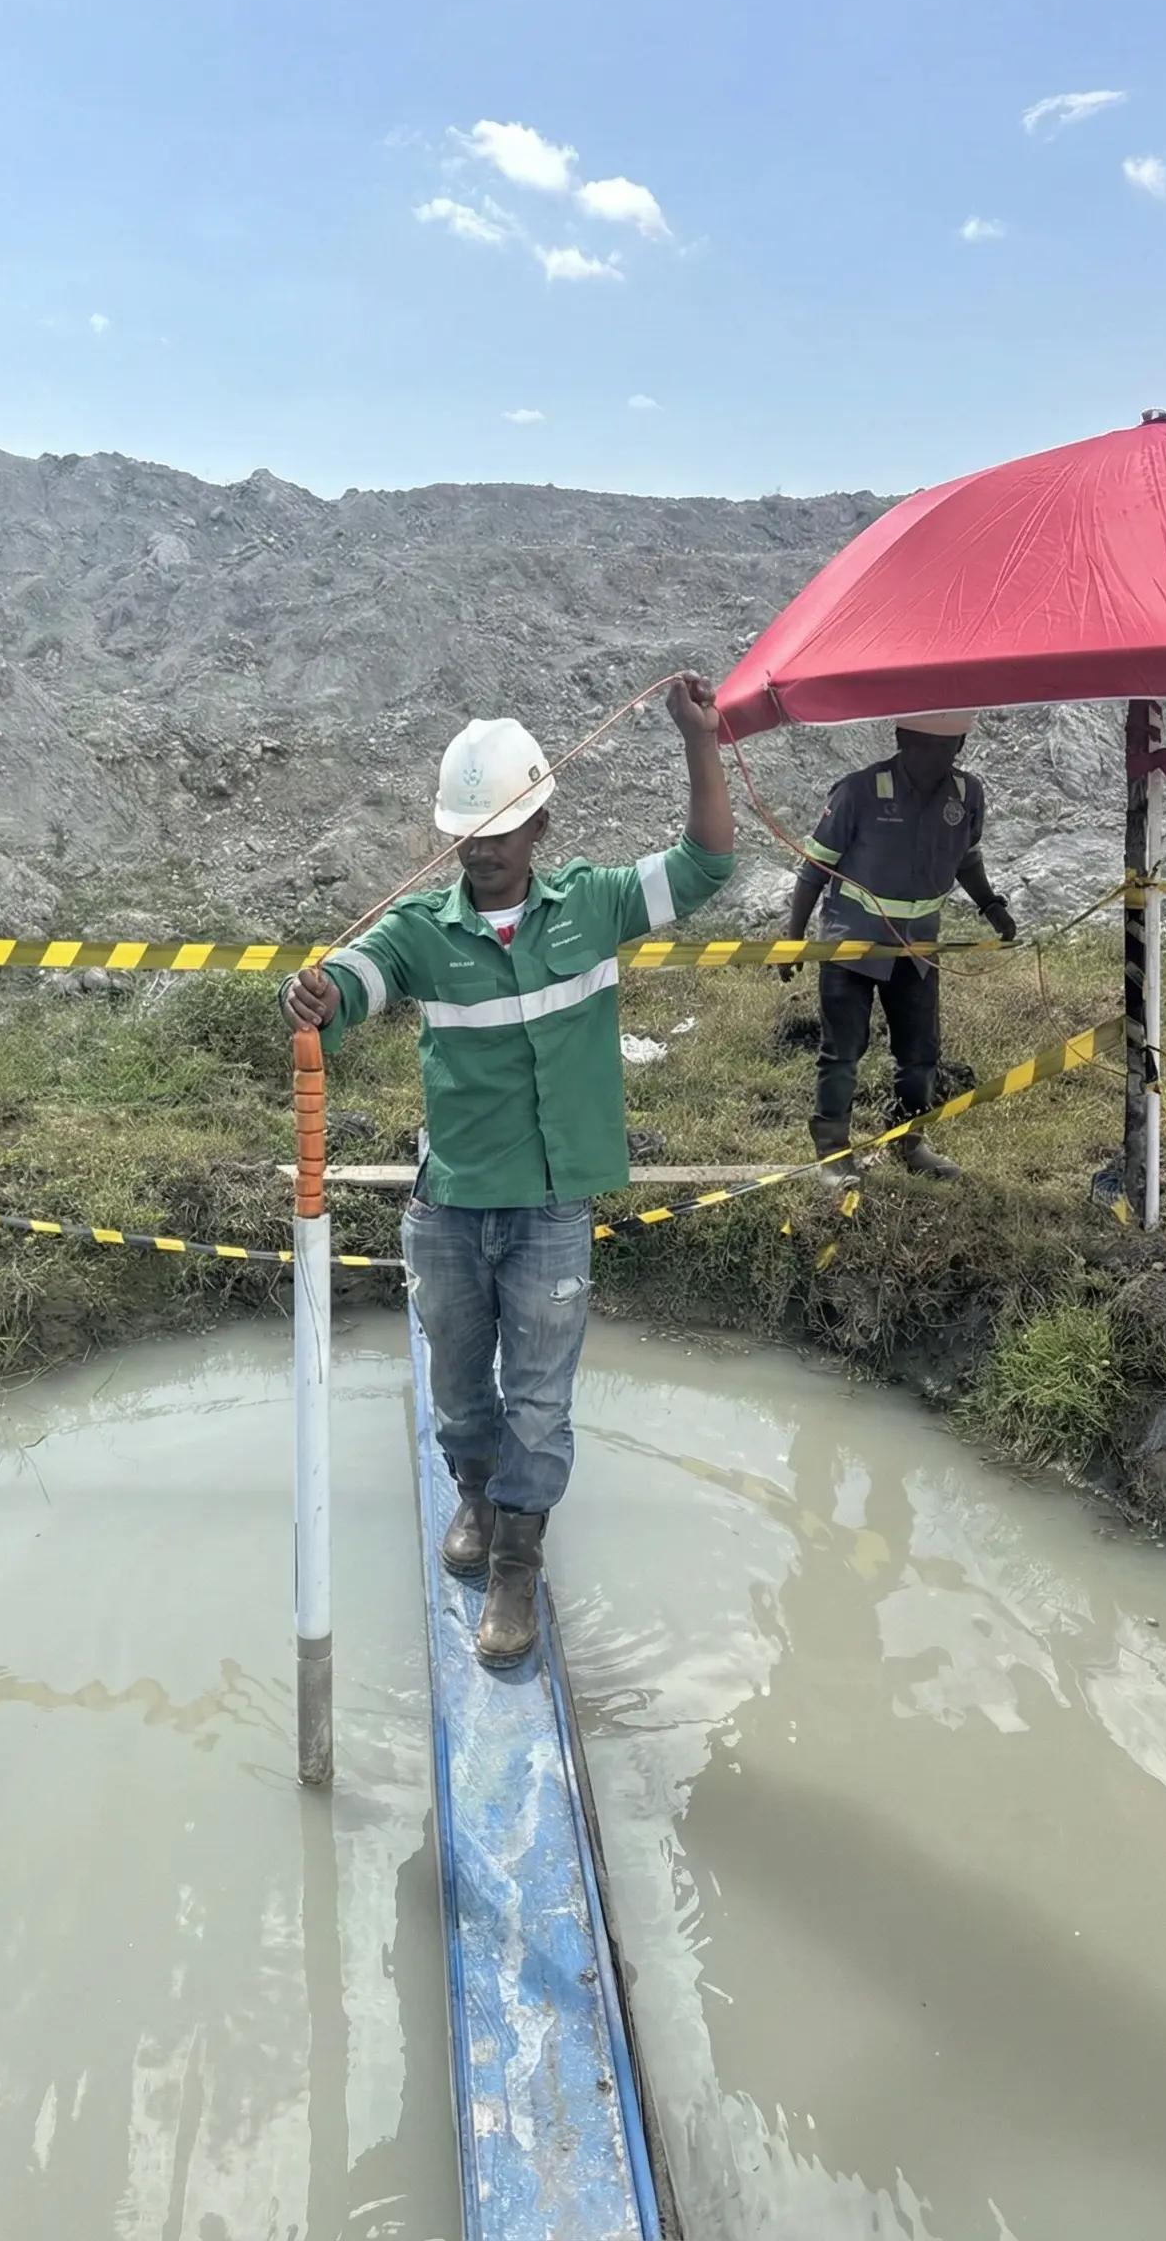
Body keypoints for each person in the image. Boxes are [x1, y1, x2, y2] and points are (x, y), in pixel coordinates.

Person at [281, 678, 735, 1666]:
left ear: (539, 825)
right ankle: (476, 1501)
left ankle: (518, 1560)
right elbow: (356, 983)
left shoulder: (595, 907)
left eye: (502, 829)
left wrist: (700, 743)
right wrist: (319, 993)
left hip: (549, 1211)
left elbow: (706, 865)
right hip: (449, 1211)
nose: (482, 849)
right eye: (467, 834)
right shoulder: (419, 931)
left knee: (539, 1395)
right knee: (457, 1386)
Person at [779, 713, 1015, 1185]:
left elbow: (965, 856)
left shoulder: (966, 796)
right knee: (843, 1050)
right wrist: (793, 938)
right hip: (851, 943)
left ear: (962, 745)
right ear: (902, 738)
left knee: (920, 1054)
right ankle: (833, 1153)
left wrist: (990, 904)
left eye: (948, 746)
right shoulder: (859, 792)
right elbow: (814, 869)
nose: (937, 757)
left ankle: (908, 1141)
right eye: (926, 745)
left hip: (918, 948)